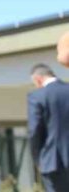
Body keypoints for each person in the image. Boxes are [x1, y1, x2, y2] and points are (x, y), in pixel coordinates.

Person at [28, 63, 69, 192]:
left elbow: (34, 130)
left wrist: (38, 160)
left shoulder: (37, 96)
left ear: (38, 79)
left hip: (53, 161)